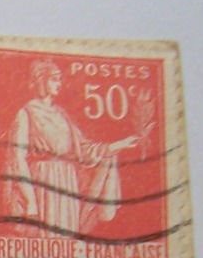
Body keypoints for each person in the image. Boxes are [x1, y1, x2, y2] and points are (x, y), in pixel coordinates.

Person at [9, 58, 145, 237]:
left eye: (59, 79)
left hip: (67, 182)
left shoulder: (62, 116)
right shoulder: (26, 113)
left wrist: (119, 145)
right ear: (41, 80)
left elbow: (84, 150)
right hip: (43, 182)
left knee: (67, 240)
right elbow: (17, 160)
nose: (59, 84)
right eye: (54, 79)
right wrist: (30, 201)